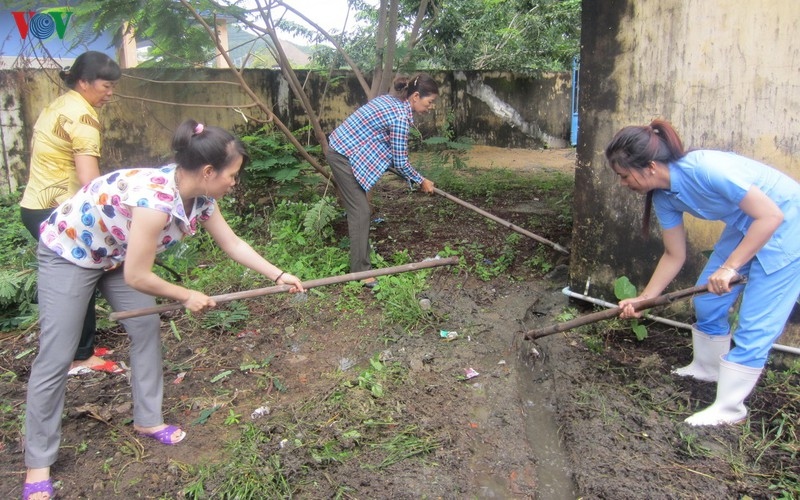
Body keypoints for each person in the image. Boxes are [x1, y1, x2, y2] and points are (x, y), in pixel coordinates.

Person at [21, 119, 304, 500]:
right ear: (208, 172)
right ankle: (38, 462)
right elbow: (139, 275)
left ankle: (148, 421)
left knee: (146, 332)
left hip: (118, 255)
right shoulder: (154, 201)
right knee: (57, 354)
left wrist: (279, 274)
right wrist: (185, 294)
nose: (234, 182)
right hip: (72, 253)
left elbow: (232, 244)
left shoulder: (202, 197)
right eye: (232, 175)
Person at [605, 119, 800, 427]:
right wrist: (644, 298)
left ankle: (729, 408)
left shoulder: (705, 169)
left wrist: (730, 266)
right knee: (708, 301)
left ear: (650, 167)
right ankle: (708, 368)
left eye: (624, 175)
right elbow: (674, 254)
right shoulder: (664, 196)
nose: (622, 183)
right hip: (746, 225)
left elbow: (771, 215)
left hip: (787, 225)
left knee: (754, 323)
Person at [20, 51, 122, 375]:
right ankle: (79, 357)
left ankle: (80, 348)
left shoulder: (60, 105)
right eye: (105, 86)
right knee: (81, 276)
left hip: (37, 205)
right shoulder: (84, 117)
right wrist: (111, 228)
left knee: (81, 276)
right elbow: (91, 185)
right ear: (84, 82)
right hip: (57, 211)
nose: (110, 93)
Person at [326, 73, 438, 287]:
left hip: (346, 152)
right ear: (415, 96)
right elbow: (401, 162)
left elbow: (375, 138)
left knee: (361, 210)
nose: (430, 107)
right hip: (342, 156)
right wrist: (421, 180)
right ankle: (360, 272)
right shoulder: (399, 118)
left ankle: (362, 259)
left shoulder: (391, 102)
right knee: (361, 212)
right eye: (429, 102)